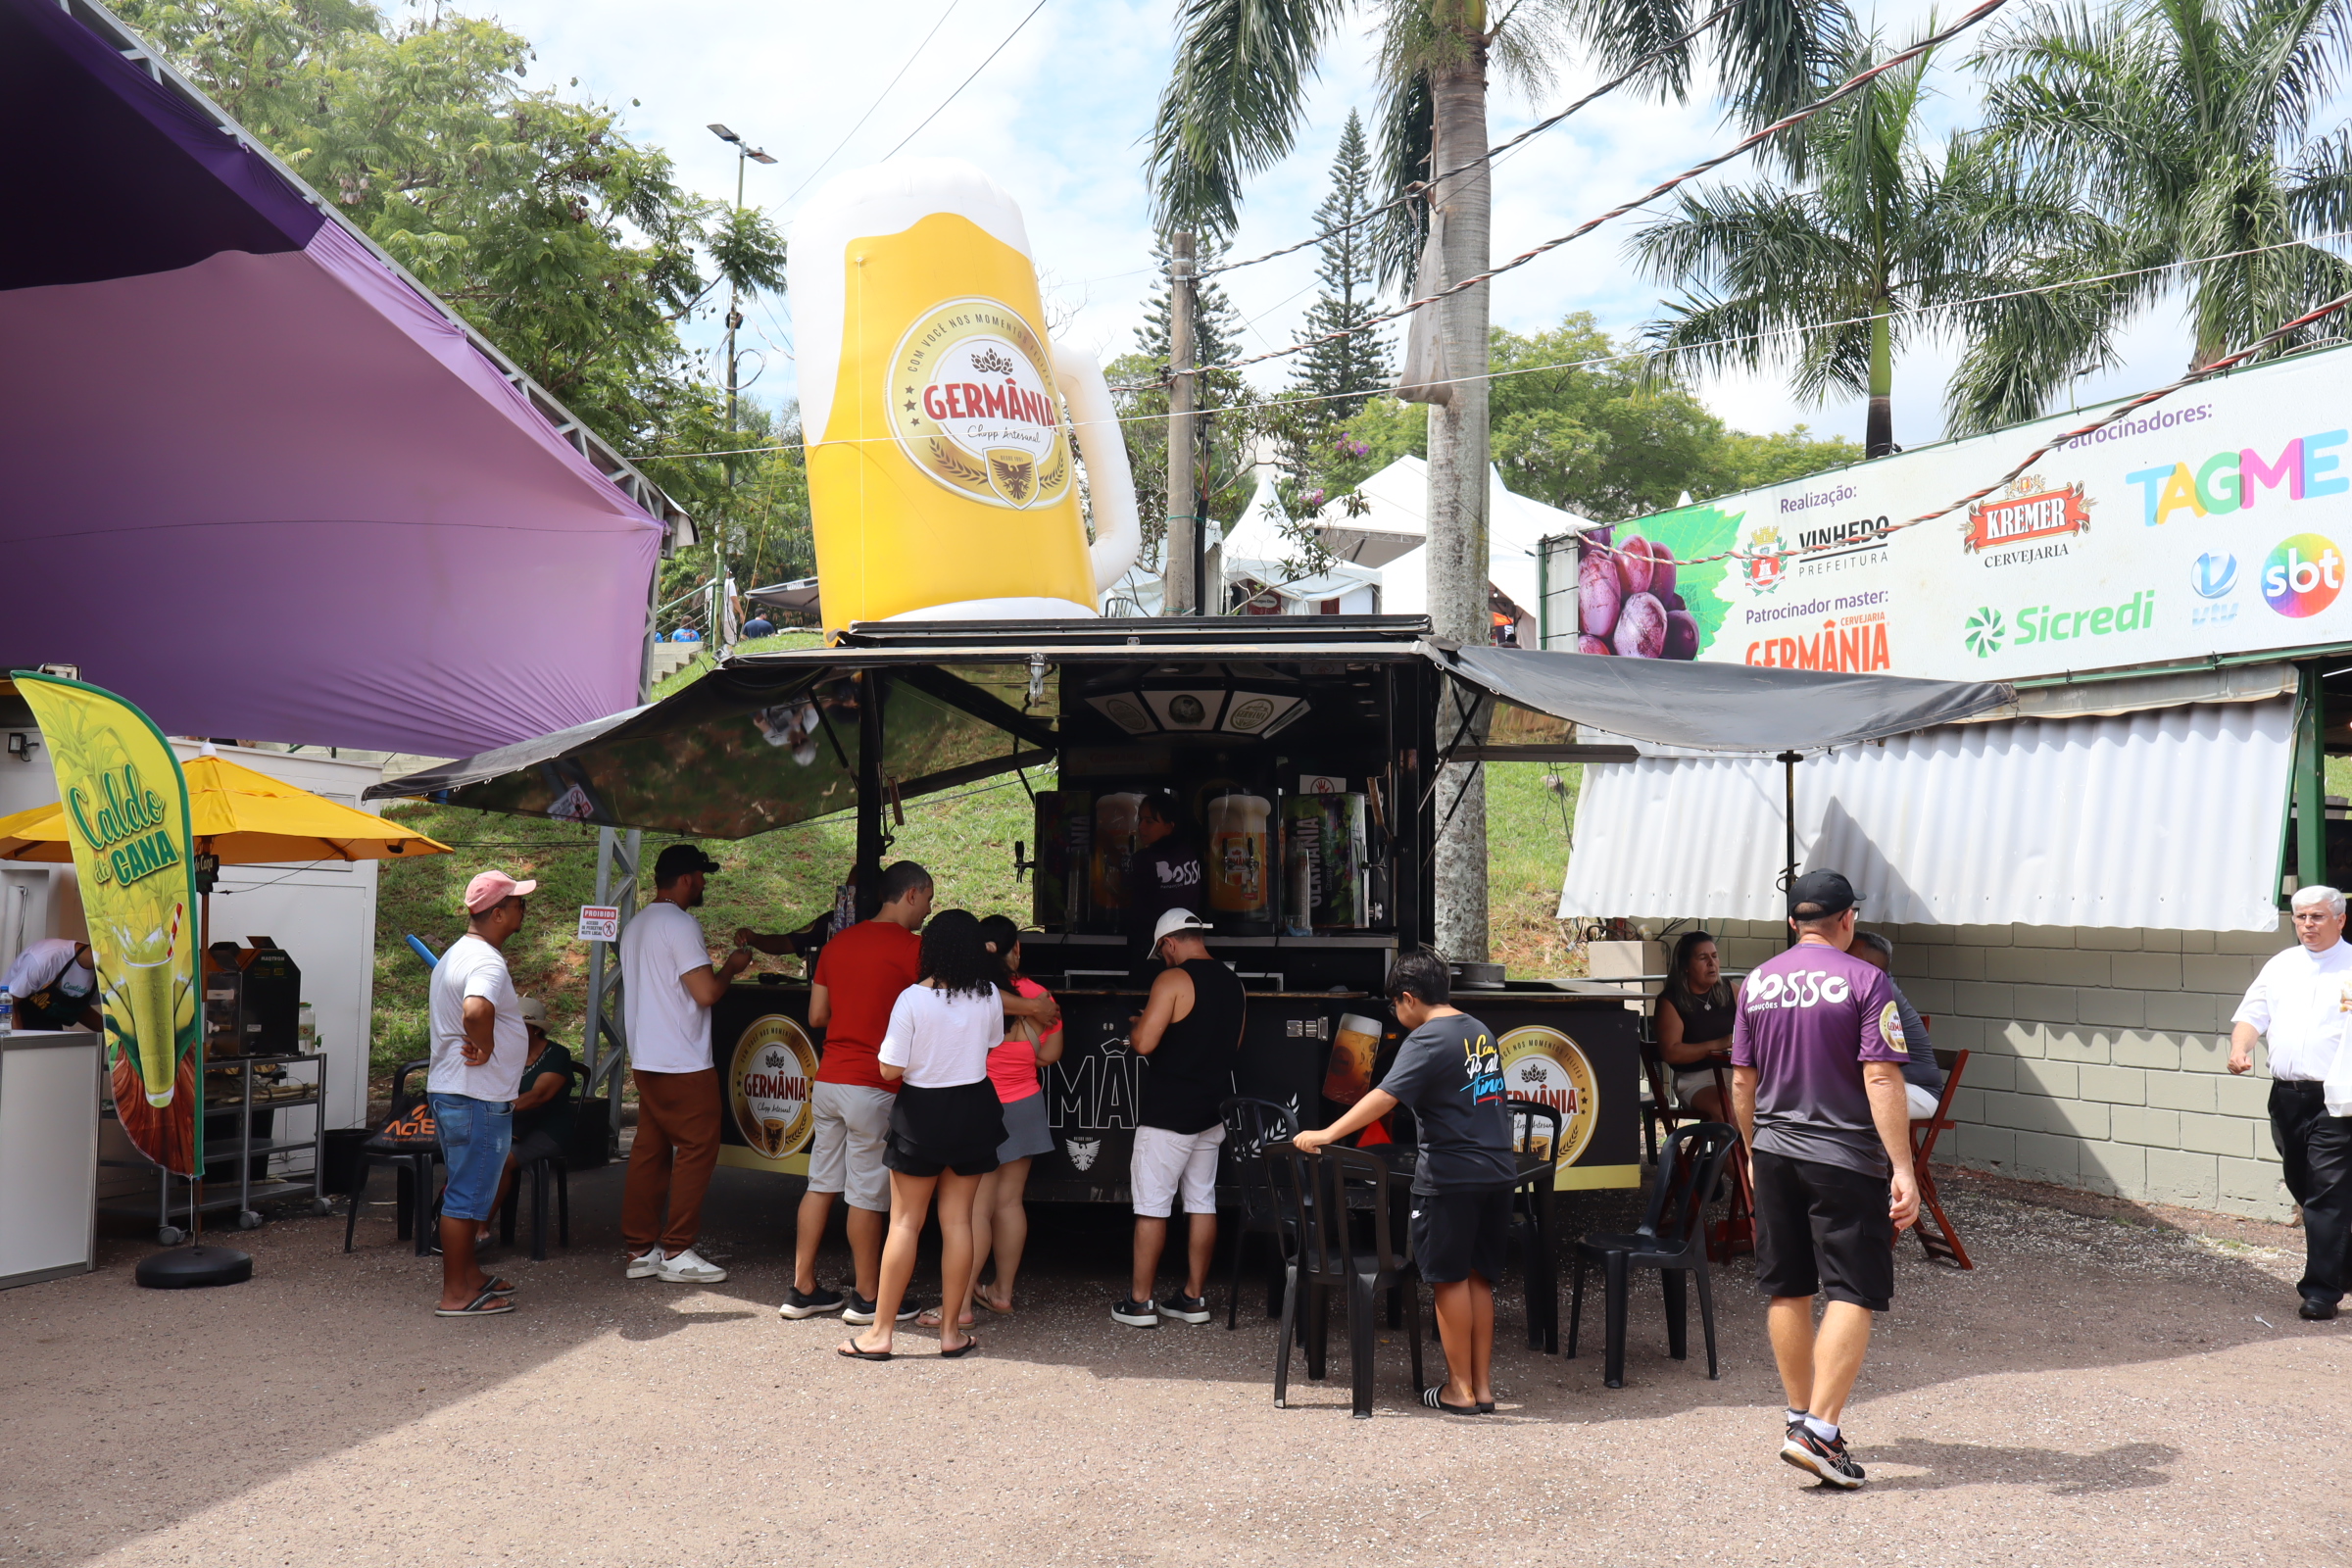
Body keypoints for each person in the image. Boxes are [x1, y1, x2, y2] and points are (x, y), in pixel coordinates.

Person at [1730, 869, 1918, 1489]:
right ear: (1848, 920)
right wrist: (1903, 1170)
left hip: (1776, 1151)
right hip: (1842, 1156)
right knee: (1853, 1289)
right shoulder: (1868, 980)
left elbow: (1740, 1081)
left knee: (1788, 1288)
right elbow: (1883, 1079)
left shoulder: (1756, 983)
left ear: (1793, 922)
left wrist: (1755, 1153)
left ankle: (1798, 1420)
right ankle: (1822, 1432)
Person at [1295, 946, 1513, 1415]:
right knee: (1478, 1278)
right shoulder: (1480, 1032)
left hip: (1453, 1174)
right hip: (1498, 1171)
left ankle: (1458, 1390)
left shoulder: (1427, 1039)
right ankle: (1482, 1387)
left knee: (1448, 1279)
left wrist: (1328, 1133)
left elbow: (1384, 1097)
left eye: (1395, 1005)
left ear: (1409, 998)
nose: (1396, 1014)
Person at [839, 909, 1006, 1360]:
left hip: (922, 1113)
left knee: (906, 1223)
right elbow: (992, 1045)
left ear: (930, 949)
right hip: (973, 1109)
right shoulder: (989, 994)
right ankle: (951, 1333)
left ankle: (880, 1334)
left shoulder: (912, 999)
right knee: (958, 1223)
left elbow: (890, 1068)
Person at [777, 860, 931, 1323]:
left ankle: (802, 1288)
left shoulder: (837, 943)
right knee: (866, 1192)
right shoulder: (915, 950)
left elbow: (818, 1016)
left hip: (828, 1081)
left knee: (821, 1183)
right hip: (874, 1084)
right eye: (928, 898)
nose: (928, 908)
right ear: (911, 894)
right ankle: (867, 1296)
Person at [616, 844, 752, 1286]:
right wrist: (731, 967)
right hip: (683, 1060)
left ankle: (641, 1249)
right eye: (702, 875)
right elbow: (706, 993)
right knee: (697, 1150)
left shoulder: (636, 924)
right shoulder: (681, 924)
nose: (705, 883)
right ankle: (677, 1248)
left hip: (648, 1057)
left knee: (650, 1151)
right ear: (688, 878)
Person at [1113, 907, 1244, 1328]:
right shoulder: (1233, 982)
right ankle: (1193, 1297)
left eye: (1162, 952)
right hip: (1213, 1110)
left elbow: (1146, 1043)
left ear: (1168, 943)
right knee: (1201, 1200)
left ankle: (1140, 1303)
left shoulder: (1172, 979)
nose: (1163, 959)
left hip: (1169, 1110)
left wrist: (1137, 1028)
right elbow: (1232, 1043)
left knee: (1152, 1206)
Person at [2229, 884, 2352, 1320]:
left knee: (2326, 1193)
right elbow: (2251, 1014)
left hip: (2337, 1099)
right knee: (2303, 1183)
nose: (2307, 926)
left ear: (2340, 919)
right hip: (2286, 1097)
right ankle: (2341, 1264)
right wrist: (2240, 1047)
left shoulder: (2351, 966)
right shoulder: (2281, 965)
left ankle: (2320, 1291)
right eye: (2300, 918)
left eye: (2317, 917)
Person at [939, 915, 1063, 1324]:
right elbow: (1049, 1056)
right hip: (1026, 1101)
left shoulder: (970, 993)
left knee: (975, 1209)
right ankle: (1002, 1291)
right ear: (1018, 949)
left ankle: (958, 1308)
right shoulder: (1039, 997)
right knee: (1010, 1203)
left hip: (982, 1106)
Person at [425, 870, 535, 1318]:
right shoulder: (487, 961)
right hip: (476, 1096)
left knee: (467, 1188)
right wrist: (488, 1043)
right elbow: (476, 1009)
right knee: (468, 1196)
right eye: (518, 902)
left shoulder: (458, 952)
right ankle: (456, 1294)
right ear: (497, 912)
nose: (523, 909)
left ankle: (468, 1277)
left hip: (457, 1090)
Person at [485, 996, 574, 1236]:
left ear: (534, 1030)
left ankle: (478, 1230)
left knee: (499, 1162)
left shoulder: (557, 1055)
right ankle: (454, 1223)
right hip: (509, 1125)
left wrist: (493, 1111)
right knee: (474, 1156)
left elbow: (539, 1096)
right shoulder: (503, 1054)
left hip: (548, 1127)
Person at [1848, 932, 1946, 1119]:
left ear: (1870, 967)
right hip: (1880, 1084)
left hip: (1914, 1091)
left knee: (1830, 1100)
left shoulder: (1880, 992)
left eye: (1848, 958)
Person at [1657, 930, 1740, 1120]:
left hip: (1734, 1074)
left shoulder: (1730, 990)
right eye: (1703, 958)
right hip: (1695, 1080)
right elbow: (1671, 1052)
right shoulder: (1671, 1001)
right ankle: (1733, 1151)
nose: (1712, 964)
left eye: (1715, 956)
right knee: (1729, 1109)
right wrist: (1718, 1044)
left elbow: (1758, 1022)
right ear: (1685, 965)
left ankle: (1753, 1150)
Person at [1125, 789, 1204, 975]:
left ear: (1169, 827)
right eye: (1140, 820)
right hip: (1189, 947)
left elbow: (1121, 892)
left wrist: (1109, 849)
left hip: (1153, 951)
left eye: (1149, 822)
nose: (1141, 827)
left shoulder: (1144, 860)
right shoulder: (1190, 854)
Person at [2, 937, 98, 1030]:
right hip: (11, 1023)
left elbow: (76, 1009)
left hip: (50, 1031)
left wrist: (110, 1031)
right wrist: (20, 1041)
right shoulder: (45, 959)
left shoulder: (100, 976)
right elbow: (7, 1001)